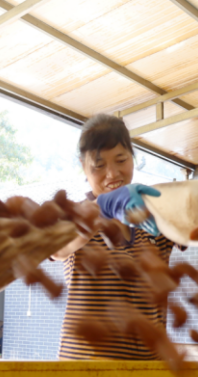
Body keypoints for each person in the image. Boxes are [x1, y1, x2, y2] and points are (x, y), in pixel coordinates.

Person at [53, 113, 178, 361]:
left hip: (146, 371)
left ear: (133, 157)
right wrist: (101, 208)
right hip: (84, 368)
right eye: (99, 166)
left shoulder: (155, 218)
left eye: (121, 160)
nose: (112, 174)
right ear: (84, 167)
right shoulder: (72, 215)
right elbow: (57, 249)